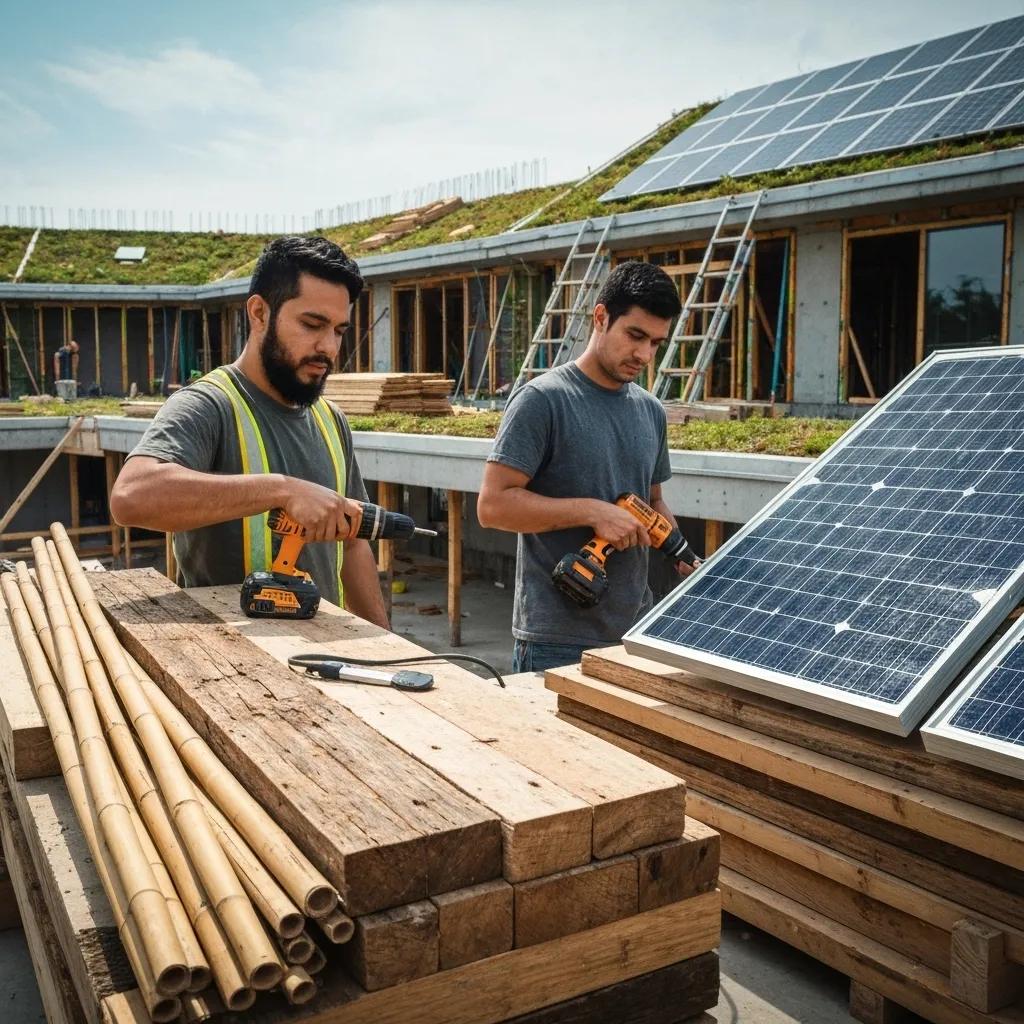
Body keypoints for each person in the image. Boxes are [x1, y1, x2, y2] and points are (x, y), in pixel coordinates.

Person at [110, 235, 389, 630]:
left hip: (324, 662)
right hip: (231, 670)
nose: (328, 347)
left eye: (339, 331)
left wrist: (387, 646)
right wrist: (282, 490)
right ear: (259, 313)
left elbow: (355, 542)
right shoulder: (210, 405)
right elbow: (130, 497)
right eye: (312, 324)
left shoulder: (330, 420)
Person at [477, 260, 698, 673]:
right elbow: (492, 507)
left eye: (655, 342)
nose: (644, 354)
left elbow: (652, 502)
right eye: (635, 335)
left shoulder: (650, 411)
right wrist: (594, 511)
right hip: (556, 643)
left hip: (633, 635)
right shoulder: (542, 400)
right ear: (600, 317)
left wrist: (682, 554)